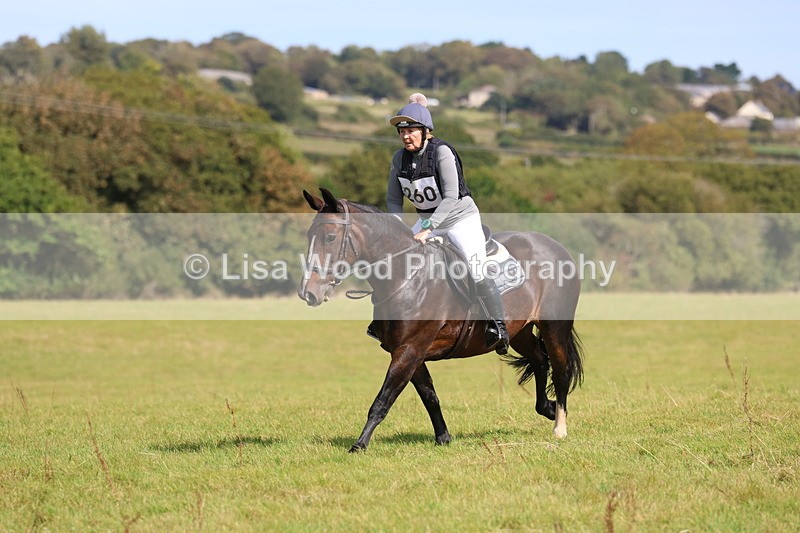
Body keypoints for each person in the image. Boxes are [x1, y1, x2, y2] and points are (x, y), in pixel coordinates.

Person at [374, 93, 509, 354]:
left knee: (475, 267)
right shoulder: (398, 159)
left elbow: (450, 197)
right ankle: (381, 323)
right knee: (391, 263)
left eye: (411, 130)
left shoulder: (442, 153)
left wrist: (428, 229)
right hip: (428, 221)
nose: (405, 136)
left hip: (459, 219)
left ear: (426, 131)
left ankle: (498, 326)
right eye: (402, 131)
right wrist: (396, 230)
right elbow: (393, 199)